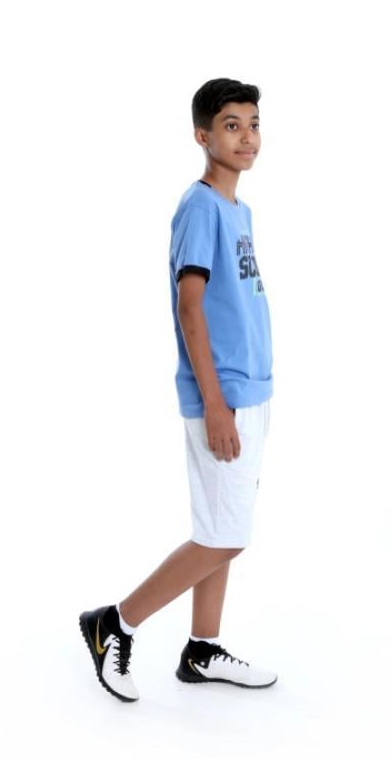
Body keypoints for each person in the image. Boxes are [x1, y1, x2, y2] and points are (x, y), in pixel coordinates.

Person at [79, 78, 276, 701]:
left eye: (253, 123)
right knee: (225, 535)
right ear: (202, 136)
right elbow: (190, 307)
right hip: (224, 397)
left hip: (252, 392)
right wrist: (215, 403)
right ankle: (115, 622)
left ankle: (201, 649)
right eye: (230, 126)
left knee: (222, 526)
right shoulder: (200, 207)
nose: (246, 136)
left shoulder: (239, 210)